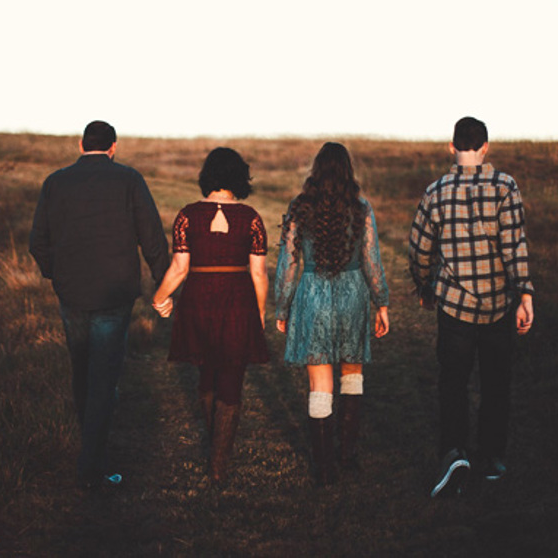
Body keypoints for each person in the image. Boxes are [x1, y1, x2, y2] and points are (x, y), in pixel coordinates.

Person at [29, 120, 170, 489]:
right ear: (113, 147)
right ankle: (93, 466)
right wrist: (164, 284)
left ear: (81, 145)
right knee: (104, 378)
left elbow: (37, 241)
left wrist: (56, 274)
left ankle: (91, 453)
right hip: (114, 293)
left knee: (82, 372)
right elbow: (152, 237)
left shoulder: (55, 182)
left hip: (72, 293)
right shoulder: (129, 179)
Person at [408, 116, 535, 498]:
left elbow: (419, 249)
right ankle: (492, 459)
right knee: (496, 384)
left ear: (451, 147)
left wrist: (425, 286)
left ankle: (454, 454)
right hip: (498, 305)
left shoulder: (436, 191)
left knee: (454, 383)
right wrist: (525, 295)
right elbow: (514, 245)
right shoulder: (505, 186)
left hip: (454, 306)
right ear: (485, 148)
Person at [273, 142, 390, 486]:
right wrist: (381, 302)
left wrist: (283, 306)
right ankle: (347, 456)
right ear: (347, 171)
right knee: (352, 374)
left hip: (313, 296)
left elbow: (288, 263)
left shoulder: (300, 207)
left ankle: (324, 468)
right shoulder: (361, 208)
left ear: (316, 170)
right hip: (353, 295)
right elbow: (371, 261)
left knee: (319, 383)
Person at [151, 147, 269, 483]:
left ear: (207, 176)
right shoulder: (251, 217)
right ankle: (219, 464)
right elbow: (259, 273)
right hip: (237, 298)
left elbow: (179, 267)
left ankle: (214, 451)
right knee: (232, 374)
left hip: (198, 296)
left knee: (206, 371)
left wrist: (160, 298)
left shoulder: (187, 215)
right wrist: (259, 312)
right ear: (240, 177)